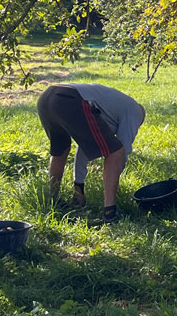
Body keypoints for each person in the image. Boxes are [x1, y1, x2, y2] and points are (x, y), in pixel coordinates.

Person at [36, 83, 145, 224]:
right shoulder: (135, 111)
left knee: (60, 150)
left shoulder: (110, 112)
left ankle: (53, 200)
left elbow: (85, 147)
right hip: (69, 99)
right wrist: (115, 173)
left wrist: (79, 185)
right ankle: (110, 212)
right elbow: (120, 153)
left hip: (47, 97)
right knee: (116, 152)